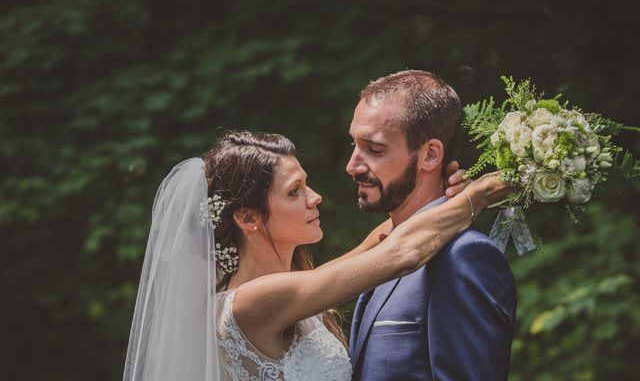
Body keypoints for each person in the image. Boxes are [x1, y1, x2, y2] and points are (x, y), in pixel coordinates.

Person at [123, 131, 510, 381]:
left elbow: (382, 240)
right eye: (295, 192)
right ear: (248, 218)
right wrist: (481, 195)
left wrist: (436, 191)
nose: (315, 197)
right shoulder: (250, 302)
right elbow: (402, 253)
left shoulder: (296, 291)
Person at [347, 70, 517, 381]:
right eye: (354, 144)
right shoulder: (385, 246)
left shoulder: (465, 256)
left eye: (375, 149)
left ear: (430, 155)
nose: (352, 165)